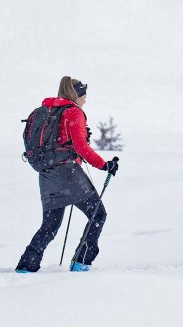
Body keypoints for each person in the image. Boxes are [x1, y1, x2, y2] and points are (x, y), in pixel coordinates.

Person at [15, 76, 119, 273]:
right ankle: (81, 261)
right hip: (67, 173)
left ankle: (27, 265)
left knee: (50, 225)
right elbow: (81, 146)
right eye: (84, 95)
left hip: (46, 174)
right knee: (98, 214)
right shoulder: (73, 112)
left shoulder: (47, 112)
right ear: (76, 94)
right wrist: (105, 165)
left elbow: (62, 145)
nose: (85, 100)